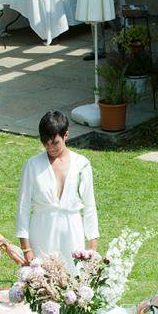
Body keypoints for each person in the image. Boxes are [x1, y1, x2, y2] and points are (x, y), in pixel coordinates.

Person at [16, 111, 98, 264]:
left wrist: (92, 246)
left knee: (75, 279)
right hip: (42, 230)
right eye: (45, 143)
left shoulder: (82, 164)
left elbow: (89, 205)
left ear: (65, 135)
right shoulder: (32, 165)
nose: (50, 148)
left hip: (72, 231)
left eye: (54, 142)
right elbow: (23, 206)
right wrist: (26, 248)